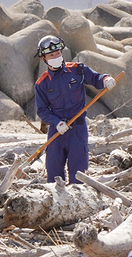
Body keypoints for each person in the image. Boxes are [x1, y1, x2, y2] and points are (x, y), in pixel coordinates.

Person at [35, 35, 116, 184]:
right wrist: (57, 123)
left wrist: (105, 79)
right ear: (43, 59)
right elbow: (42, 110)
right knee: (53, 176)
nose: (56, 56)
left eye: (58, 53)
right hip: (57, 131)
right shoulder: (42, 83)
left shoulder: (77, 70)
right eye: (52, 55)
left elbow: (96, 78)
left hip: (77, 130)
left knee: (79, 176)